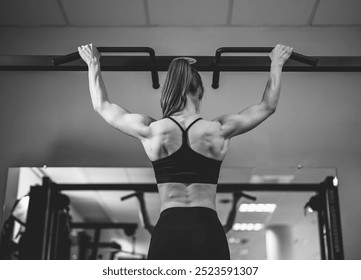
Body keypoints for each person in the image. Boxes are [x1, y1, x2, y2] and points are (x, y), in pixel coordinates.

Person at [78, 43, 293, 260]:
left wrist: (93, 63)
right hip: (207, 227)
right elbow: (268, 106)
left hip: (168, 228)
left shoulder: (152, 131)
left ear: (169, 91)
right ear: (200, 91)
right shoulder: (217, 130)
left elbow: (102, 105)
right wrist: (277, 62)